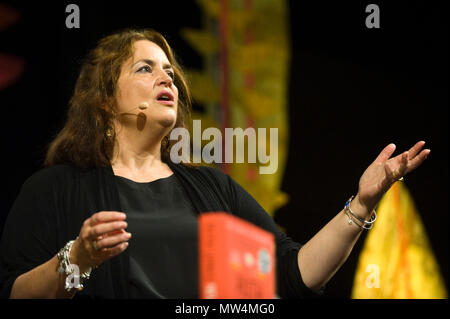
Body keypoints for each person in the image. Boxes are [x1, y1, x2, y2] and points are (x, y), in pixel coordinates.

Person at [0, 29, 430, 299]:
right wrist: (76, 258)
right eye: (145, 69)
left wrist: (362, 203)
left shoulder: (211, 188)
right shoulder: (54, 189)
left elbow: (291, 273)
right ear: (106, 99)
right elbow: (15, 292)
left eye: (169, 70)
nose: (167, 78)